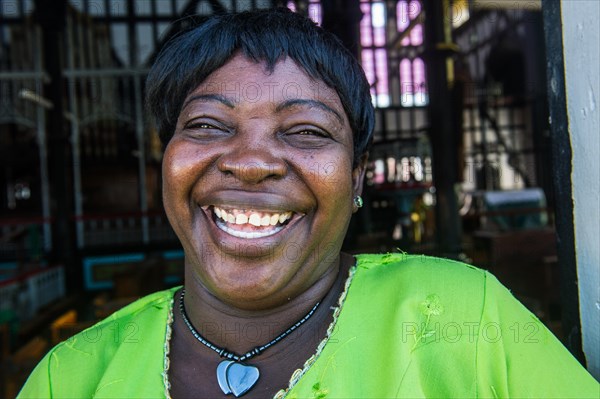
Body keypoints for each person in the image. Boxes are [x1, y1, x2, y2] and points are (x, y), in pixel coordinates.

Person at [18, 8, 598, 399]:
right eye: (208, 125)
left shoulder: (464, 319)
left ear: (357, 176)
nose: (250, 162)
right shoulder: (71, 377)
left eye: (306, 132)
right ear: (165, 162)